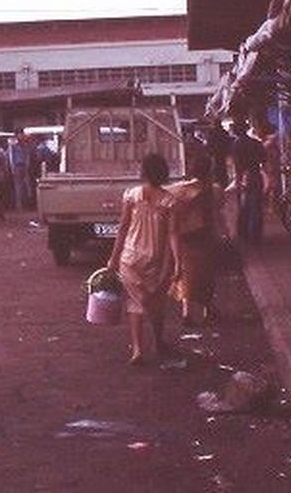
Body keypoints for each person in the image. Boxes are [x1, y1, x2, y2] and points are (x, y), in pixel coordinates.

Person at [107, 153, 179, 365]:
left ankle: (137, 349)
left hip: (130, 257)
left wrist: (113, 257)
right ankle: (158, 341)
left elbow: (122, 229)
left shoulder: (132, 195)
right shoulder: (169, 201)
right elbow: (173, 234)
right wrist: (178, 261)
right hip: (156, 259)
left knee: (135, 303)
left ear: (144, 172)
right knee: (156, 302)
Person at [168, 155, 226, 326]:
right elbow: (219, 206)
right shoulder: (214, 189)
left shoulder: (179, 189)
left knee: (185, 274)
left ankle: (187, 312)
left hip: (185, 236)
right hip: (207, 235)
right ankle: (207, 309)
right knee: (206, 274)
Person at [229, 119, 265, 243]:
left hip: (244, 177)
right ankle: (255, 235)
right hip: (256, 175)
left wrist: (238, 180)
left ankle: (244, 234)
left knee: (244, 207)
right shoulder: (256, 143)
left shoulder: (236, 145)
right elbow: (263, 160)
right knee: (256, 207)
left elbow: (237, 165)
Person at [9, 133, 31, 210]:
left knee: (26, 186)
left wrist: (27, 166)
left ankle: (25, 204)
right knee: (18, 187)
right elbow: (11, 157)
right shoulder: (13, 145)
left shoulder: (24, 145)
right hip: (17, 166)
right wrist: (12, 168)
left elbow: (27, 156)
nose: (20, 136)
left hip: (24, 166)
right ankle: (19, 205)